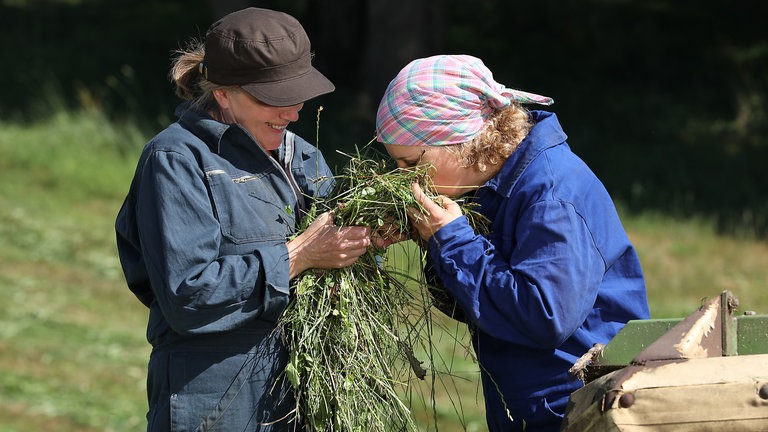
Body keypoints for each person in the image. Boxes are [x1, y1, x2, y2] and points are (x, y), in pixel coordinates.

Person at [115, 8, 377, 431]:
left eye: (298, 97)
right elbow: (188, 296)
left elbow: (338, 258)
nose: (291, 113)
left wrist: (366, 243)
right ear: (223, 93)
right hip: (217, 397)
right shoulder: (177, 160)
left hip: (306, 391)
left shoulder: (304, 156)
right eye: (273, 99)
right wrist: (298, 255)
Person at [375, 54, 650, 432]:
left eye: (411, 164)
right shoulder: (491, 186)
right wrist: (432, 241)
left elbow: (543, 315)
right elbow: (485, 307)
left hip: (583, 407)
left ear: (460, 141)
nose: (406, 180)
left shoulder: (550, 195)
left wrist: (452, 242)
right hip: (534, 410)